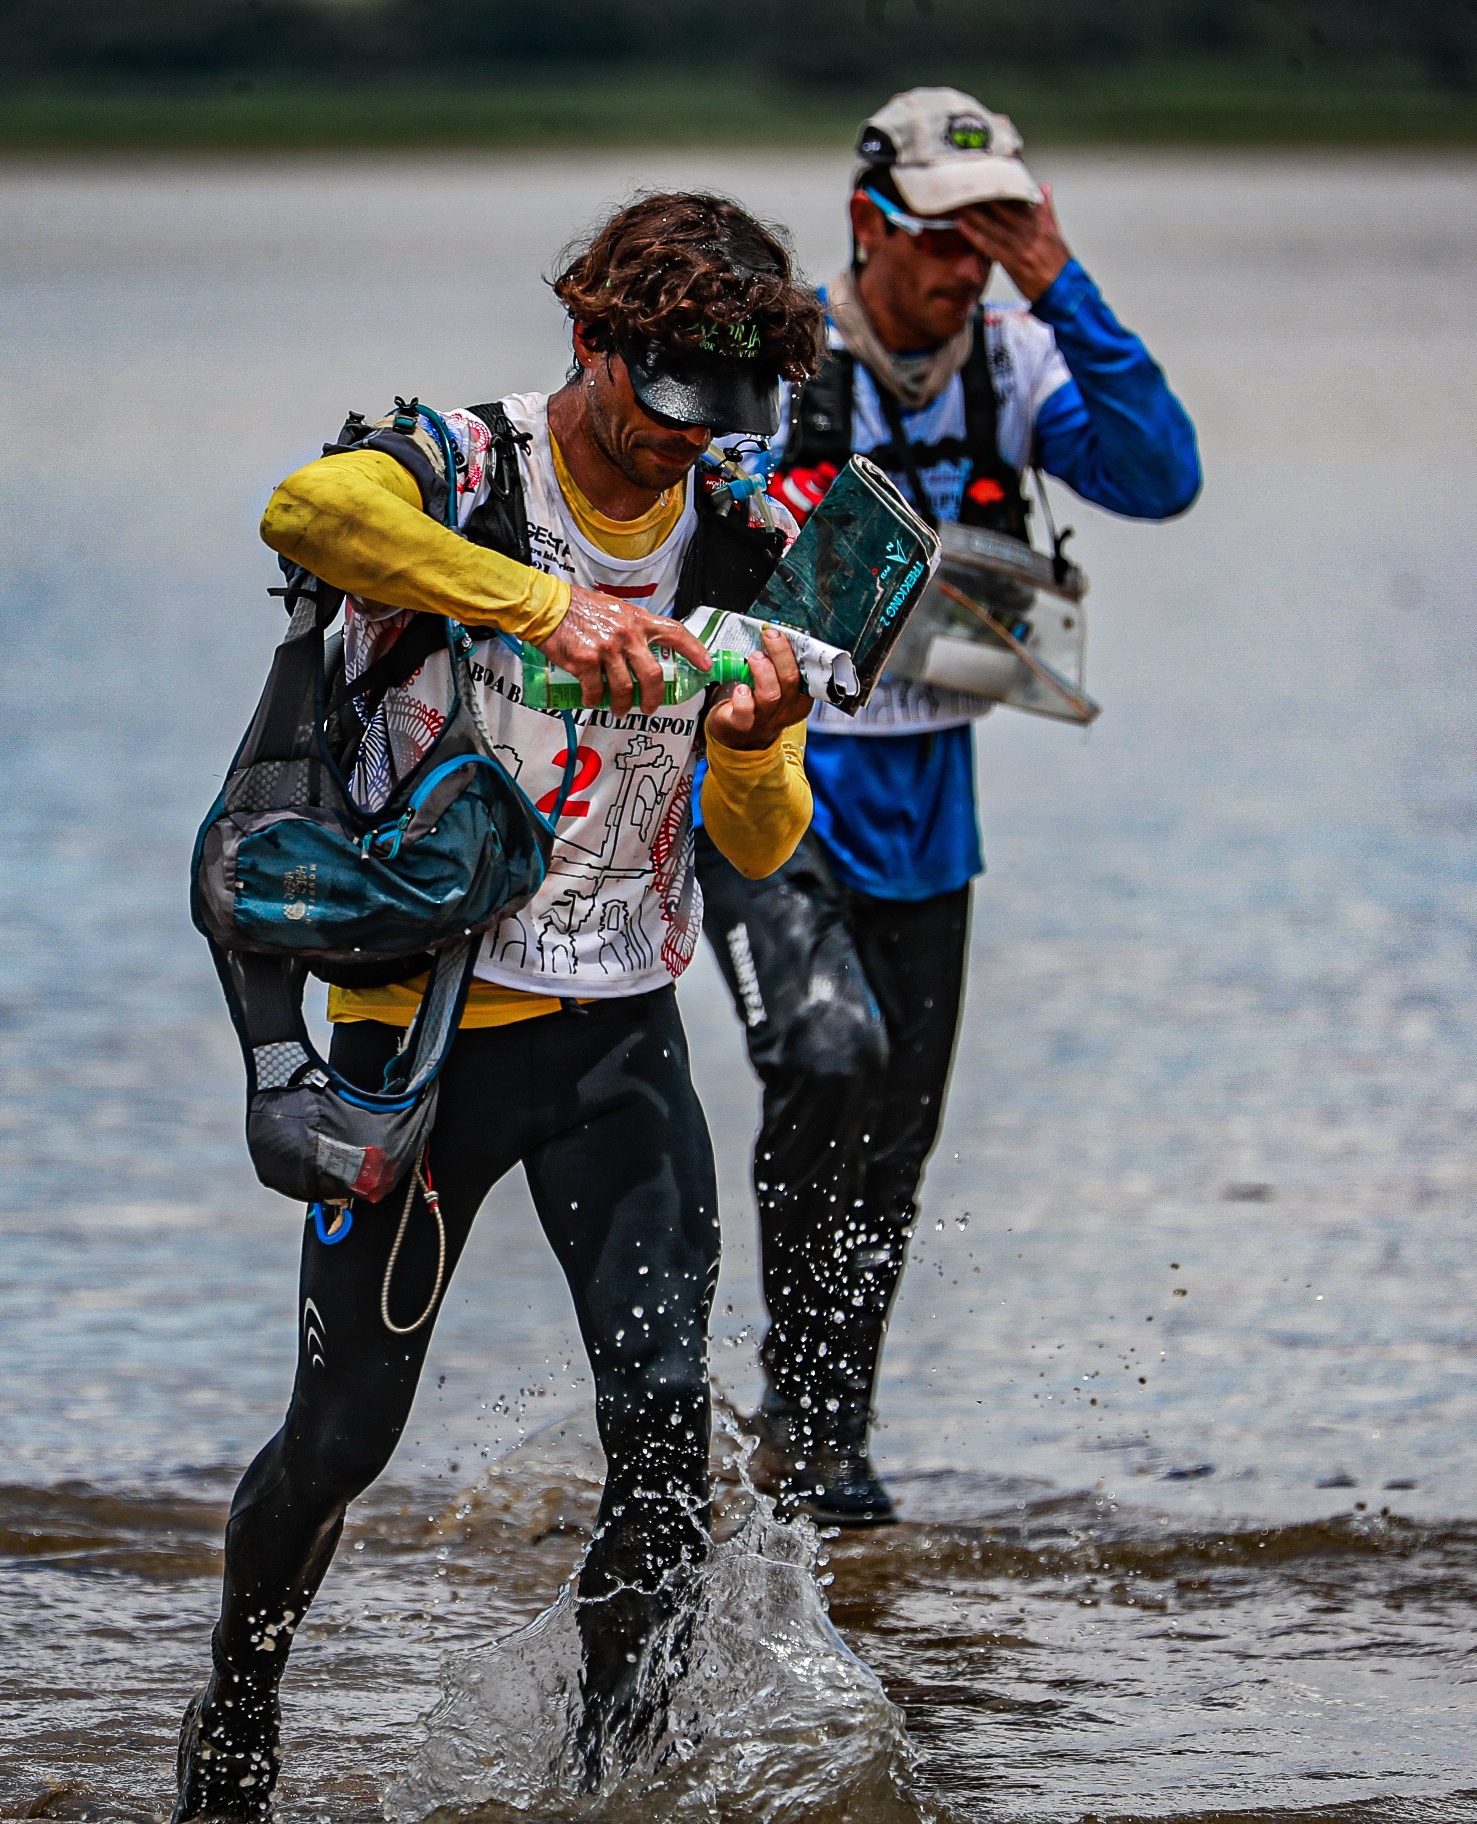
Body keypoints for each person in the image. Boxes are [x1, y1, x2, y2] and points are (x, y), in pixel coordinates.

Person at [176, 191, 825, 1822]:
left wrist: (755, 741)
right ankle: (236, 1715)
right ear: (590, 333)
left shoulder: (744, 529)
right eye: (664, 397)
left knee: (666, 1451)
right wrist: (548, 607)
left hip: (621, 1041)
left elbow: (762, 842)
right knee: (340, 1444)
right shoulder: (465, 465)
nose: (687, 441)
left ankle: (609, 1790)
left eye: (722, 413)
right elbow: (305, 510)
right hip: (421, 1043)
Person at [694, 88, 1203, 1525]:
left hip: (931, 805)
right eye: (941, 236)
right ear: (870, 223)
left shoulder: (1017, 356)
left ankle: (824, 1444)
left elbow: (1162, 476)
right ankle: (788, 1411)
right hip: (774, 778)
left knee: (893, 1147)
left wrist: (1059, 279)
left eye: (991, 236)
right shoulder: (780, 355)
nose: (964, 265)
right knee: (828, 1055)